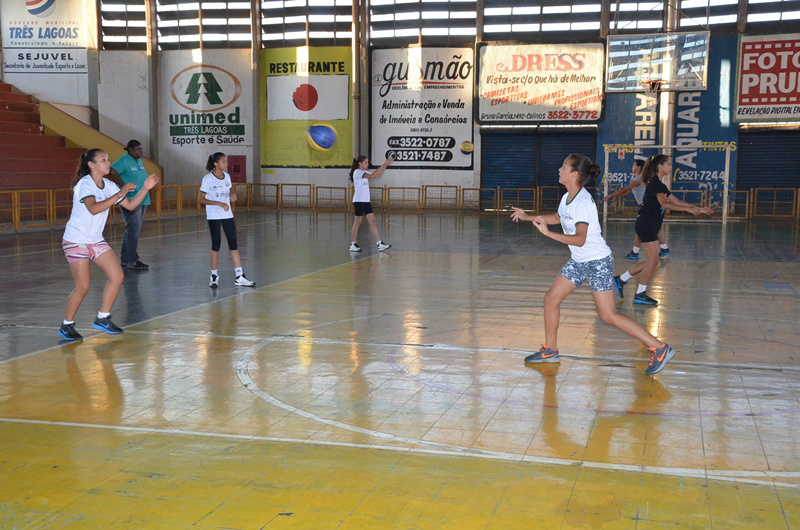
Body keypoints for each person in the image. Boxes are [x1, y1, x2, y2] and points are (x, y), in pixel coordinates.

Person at [510, 153, 675, 376]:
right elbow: (559, 218)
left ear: (574, 174)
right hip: (580, 261)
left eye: (563, 166)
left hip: (597, 262)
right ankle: (550, 350)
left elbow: (580, 239)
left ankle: (659, 347)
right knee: (551, 299)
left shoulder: (583, 202)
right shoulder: (568, 197)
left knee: (608, 315)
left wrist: (548, 234)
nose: (559, 169)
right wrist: (529, 217)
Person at [59, 149, 159, 342]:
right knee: (83, 287)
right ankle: (67, 324)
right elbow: (94, 208)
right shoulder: (85, 184)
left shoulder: (110, 185)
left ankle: (103, 317)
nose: (108, 163)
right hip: (76, 240)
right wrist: (119, 194)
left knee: (117, 276)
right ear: (92, 165)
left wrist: (145, 188)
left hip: (95, 240)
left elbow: (130, 205)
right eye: (103, 160)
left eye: (108, 159)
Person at [613, 154, 713, 305]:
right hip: (646, 224)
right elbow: (665, 204)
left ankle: (621, 279)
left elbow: (676, 201)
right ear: (660, 167)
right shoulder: (655, 184)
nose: (671, 167)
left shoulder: (661, 185)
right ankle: (639, 293)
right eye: (668, 164)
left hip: (650, 225)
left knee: (653, 261)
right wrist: (690, 210)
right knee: (653, 260)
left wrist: (697, 208)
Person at [199, 152, 255, 288]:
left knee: (233, 244)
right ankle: (213, 276)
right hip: (214, 216)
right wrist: (218, 203)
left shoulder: (227, 177)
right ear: (216, 164)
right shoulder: (207, 179)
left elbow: (229, 191)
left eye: (226, 161)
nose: (226, 164)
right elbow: (201, 199)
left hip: (227, 215)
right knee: (216, 244)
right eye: (223, 161)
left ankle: (239, 276)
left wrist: (232, 194)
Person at [604, 158, 670, 260]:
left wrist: (611, 195)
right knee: (650, 228)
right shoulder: (636, 179)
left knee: (648, 228)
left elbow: (625, 189)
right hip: (646, 206)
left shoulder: (638, 179)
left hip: (649, 206)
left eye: (634, 165)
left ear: (639, 167)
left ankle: (641, 251)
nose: (632, 167)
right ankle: (641, 251)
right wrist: (616, 197)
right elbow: (627, 192)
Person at [110, 140, 151, 271]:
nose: (141, 152)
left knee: (134, 231)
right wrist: (123, 186)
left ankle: (127, 258)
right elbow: (111, 171)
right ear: (131, 150)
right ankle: (131, 260)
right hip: (131, 200)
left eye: (141, 149)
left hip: (142, 199)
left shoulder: (138, 160)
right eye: (138, 149)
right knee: (133, 230)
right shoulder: (124, 160)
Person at [349, 155, 393, 252]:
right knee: (358, 222)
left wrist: (385, 165)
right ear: (360, 163)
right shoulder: (357, 172)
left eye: (367, 162)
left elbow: (377, 175)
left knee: (372, 221)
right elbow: (372, 176)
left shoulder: (365, 172)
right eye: (365, 162)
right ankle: (353, 244)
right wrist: (384, 163)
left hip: (366, 201)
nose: (367, 164)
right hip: (358, 201)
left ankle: (379, 243)